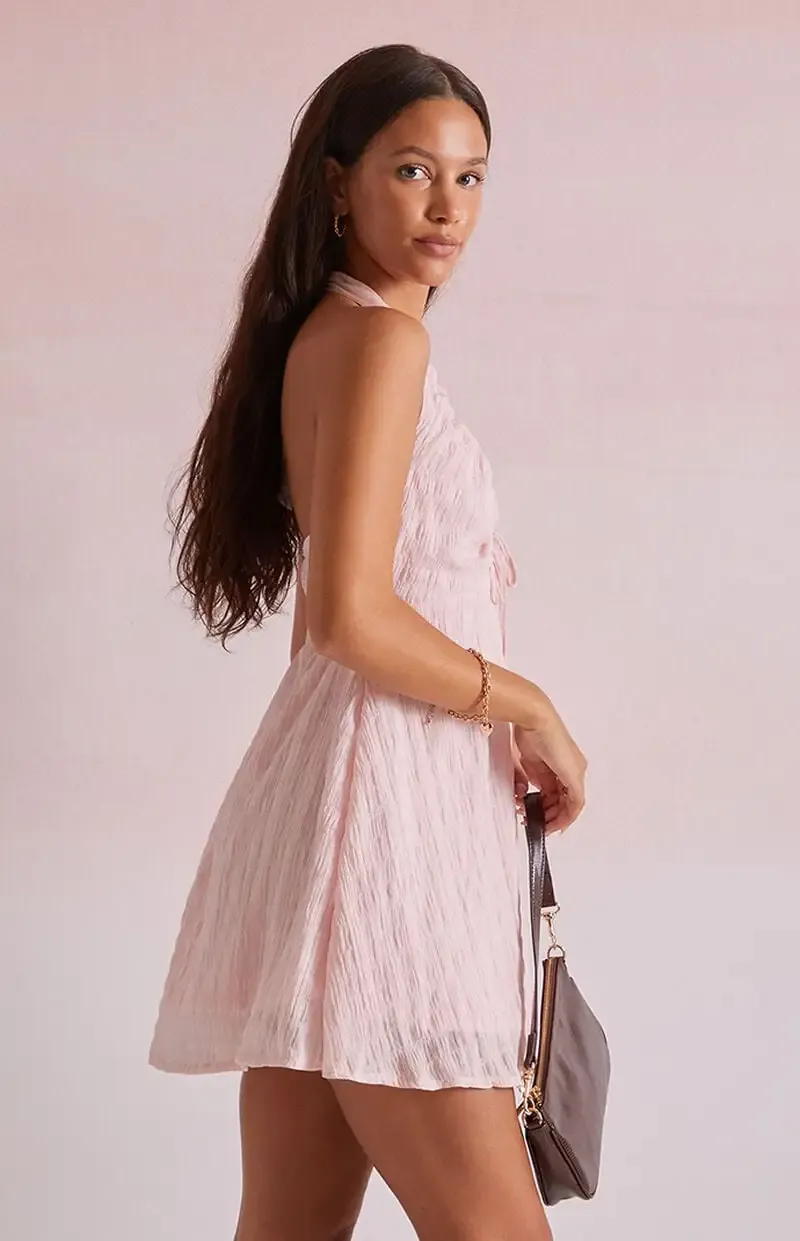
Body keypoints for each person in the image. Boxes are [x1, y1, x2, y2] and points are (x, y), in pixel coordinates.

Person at [148, 42, 587, 1241]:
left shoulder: (324, 338)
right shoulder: (386, 343)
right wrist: (526, 704)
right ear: (338, 184)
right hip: (388, 837)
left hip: (337, 821)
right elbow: (348, 616)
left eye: (470, 176)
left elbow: (320, 632)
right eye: (412, 170)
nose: (448, 207)